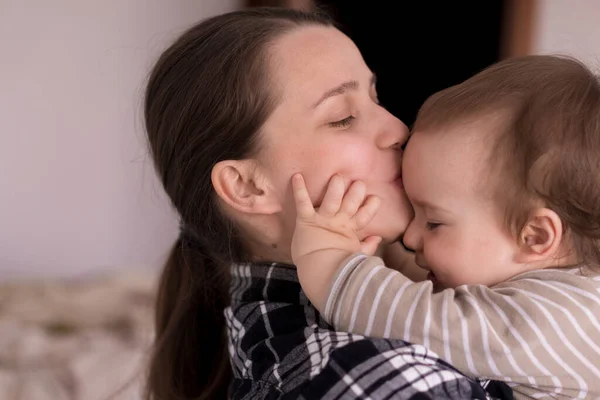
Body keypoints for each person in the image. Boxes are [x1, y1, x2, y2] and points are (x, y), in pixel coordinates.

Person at [142, 6, 513, 400]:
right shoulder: (362, 376)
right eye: (342, 117)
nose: (399, 129)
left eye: (375, 97)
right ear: (248, 187)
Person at [290, 55, 600, 399]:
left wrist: (332, 264)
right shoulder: (566, 294)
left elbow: (425, 320)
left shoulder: (554, 322)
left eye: (434, 222)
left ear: (535, 236)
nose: (411, 237)